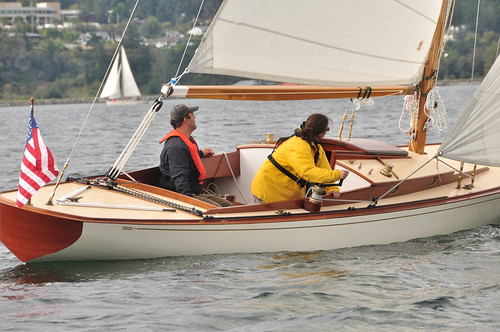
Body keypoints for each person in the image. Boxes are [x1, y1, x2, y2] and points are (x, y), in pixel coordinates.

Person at [251, 113, 349, 203]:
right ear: (321, 132)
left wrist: (332, 189)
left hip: (287, 194)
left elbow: (324, 168)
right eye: (326, 130)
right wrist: (337, 175)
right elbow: (307, 172)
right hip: (267, 190)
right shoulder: (298, 145)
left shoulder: (316, 148)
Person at [158, 104, 231, 207]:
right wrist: (190, 203)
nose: (195, 117)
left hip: (193, 191)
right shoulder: (176, 146)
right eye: (192, 115)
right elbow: (179, 177)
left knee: (227, 205)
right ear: (186, 119)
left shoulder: (184, 141)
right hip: (180, 195)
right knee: (218, 209)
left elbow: (187, 156)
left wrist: (201, 153)